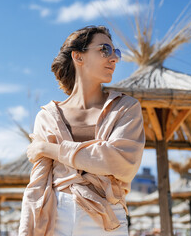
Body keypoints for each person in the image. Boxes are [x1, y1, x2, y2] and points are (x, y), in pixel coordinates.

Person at [19, 25, 145, 236]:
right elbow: (38, 184)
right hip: (55, 213)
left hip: (106, 215)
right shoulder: (47, 117)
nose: (114, 58)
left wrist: (49, 148)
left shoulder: (126, 107)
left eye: (116, 53)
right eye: (104, 50)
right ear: (78, 57)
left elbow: (119, 161)